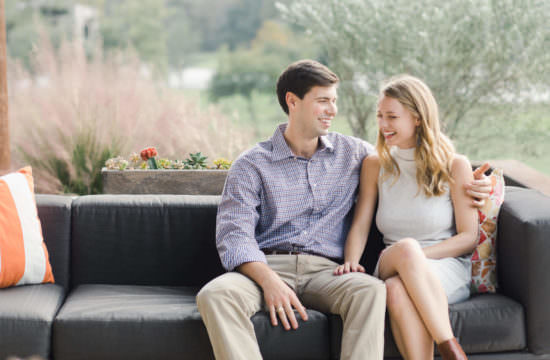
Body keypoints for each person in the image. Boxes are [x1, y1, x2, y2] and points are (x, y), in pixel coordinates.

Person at [197, 60, 491, 360]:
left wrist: (480, 184)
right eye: (323, 101)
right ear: (292, 101)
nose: (333, 110)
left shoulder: (354, 154)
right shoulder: (251, 165)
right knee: (214, 295)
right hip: (267, 268)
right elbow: (235, 237)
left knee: (372, 291)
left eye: (334, 101)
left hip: (327, 271)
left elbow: (417, 152)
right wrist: (269, 281)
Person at [334, 74, 483, 360]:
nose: (383, 124)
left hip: (446, 267)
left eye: (391, 116)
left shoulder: (454, 165)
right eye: (380, 116)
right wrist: (350, 263)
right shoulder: (375, 164)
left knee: (395, 289)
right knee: (404, 252)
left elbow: (468, 237)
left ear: (417, 117)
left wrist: (416, 257)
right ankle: (451, 348)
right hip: (392, 259)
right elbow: (361, 224)